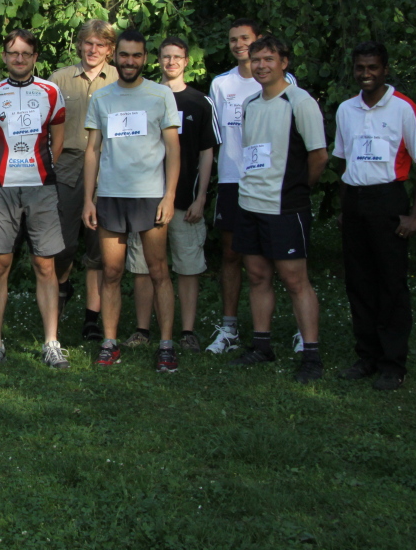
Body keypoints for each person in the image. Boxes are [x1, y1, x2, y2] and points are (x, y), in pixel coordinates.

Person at [227, 35, 328, 383]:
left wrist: (297, 189)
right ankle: (261, 346)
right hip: (249, 203)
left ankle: (311, 355)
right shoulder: (251, 103)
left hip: (285, 207)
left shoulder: (300, 102)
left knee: (295, 280)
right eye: (256, 59)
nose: (261, 66)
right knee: (257, 276)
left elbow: (319, 156)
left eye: (269, 59)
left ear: (284, 62)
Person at [333, 41, 416, 390]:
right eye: (360, 68)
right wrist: (345, 207)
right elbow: (343, 160)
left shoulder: (403, 107)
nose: (366, 74)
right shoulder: (346, 109)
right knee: (359, 282)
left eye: (372, 67)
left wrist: (415, 214)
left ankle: (393, 363)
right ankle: (367, 356)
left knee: (391, 283)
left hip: (388, 199)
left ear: (385, 69)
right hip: (355, 201)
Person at [82, 29, 182, 372]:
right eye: (124, 55)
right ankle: (110, 343)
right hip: (111, 195)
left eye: (136, 55)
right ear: (115, 56)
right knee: (111, 272)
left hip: (150, 195)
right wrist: (89, 199)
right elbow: (93, 151)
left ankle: (166, 345)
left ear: (145, 58)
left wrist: (170, 195)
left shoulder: (160, 95)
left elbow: (173, 149)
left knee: (158, 270)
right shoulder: (102, 98)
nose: (129, 61)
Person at [0, 29, 68, 370]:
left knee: (45, 265)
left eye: (26, 53)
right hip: (2, 188)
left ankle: (51, 343)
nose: (19, 58)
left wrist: (38, 170)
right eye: (13, 53)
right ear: (4, 56)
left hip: (41, 186)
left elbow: (58, 142)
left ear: (35, 57)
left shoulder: (50, 92)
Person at [206, 18, 298, 354]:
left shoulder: (284, 82)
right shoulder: (221, 84)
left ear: (258, 40)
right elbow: (215, 135)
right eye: (233, 39)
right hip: (233, 179)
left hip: (273, 182)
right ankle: (229, 329)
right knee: (231, 254)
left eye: (245, 38)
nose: (239, 44)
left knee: (285, 259)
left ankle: (301, 330)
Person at [124, 37, 220, 353]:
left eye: (177, 57)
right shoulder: (146, 97)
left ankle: (188, 331)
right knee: (142, 267)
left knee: (187, 266)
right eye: (166, 57)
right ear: (158, 60)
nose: (171, 62)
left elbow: (207, 153)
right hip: (147, 198)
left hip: (185, 201)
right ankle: (142, 329)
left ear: (187, 61)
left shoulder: (200, 102)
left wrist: (201, 197)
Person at [48, 20, 117, 341]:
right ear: (80, 45)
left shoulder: (118, 79)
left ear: (110, 49)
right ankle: (62, 287)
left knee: (99, 247)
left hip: (108, 169)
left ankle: (92, 318)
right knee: (62, 244)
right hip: (66, 168)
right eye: (88, 43)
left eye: (100, 45)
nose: (93, 50)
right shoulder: (59, 79)